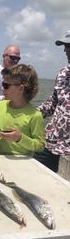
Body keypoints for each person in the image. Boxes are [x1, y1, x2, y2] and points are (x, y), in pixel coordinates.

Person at [0, 63, 44, 155]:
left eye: (6, 85)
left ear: (21, 88)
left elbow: (40, 145)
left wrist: (20, 138)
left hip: (20, 164)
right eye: (2, 84)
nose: (2, 89)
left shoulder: (35, 115)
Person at [33, 30, 70, 172]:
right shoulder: (63, 74)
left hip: (68, 152)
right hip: (51, 142)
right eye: (65, 46)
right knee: (35, 176)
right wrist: (29, 114)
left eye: (69, 46)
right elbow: (51, 104)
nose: (65, 50)